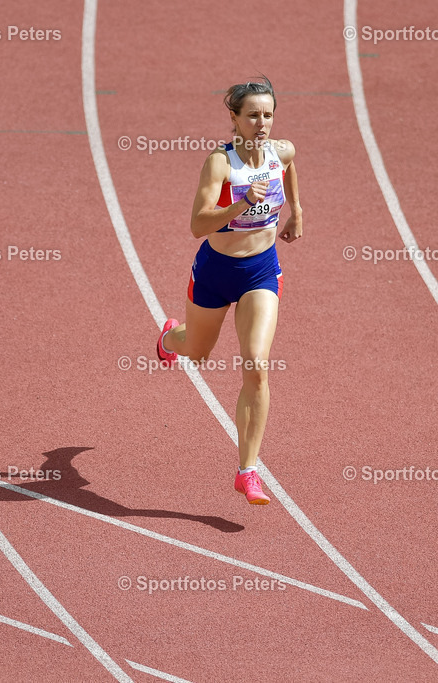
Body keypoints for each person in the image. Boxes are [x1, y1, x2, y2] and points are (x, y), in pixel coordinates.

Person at [157, 76, 303, 505]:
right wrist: (240, 204)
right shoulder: (220, 164)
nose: (262, 123)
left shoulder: (282, 151)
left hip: (260, 270)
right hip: (216, 270)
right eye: (253, 115)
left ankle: (248, 470)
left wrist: (297, 211)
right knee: (197, 351)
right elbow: (197, 225)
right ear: (235, 120)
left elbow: (289, 167)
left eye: (268, 115)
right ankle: (169, 339)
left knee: (256, 363)